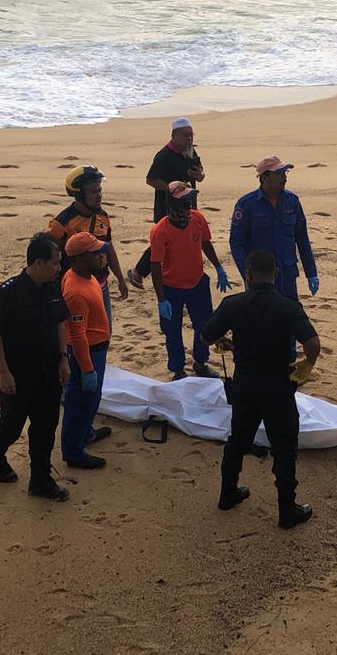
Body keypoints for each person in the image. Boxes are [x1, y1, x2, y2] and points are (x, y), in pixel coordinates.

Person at [203, 250, 320, 529]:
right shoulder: (288, 306)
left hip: (245, 382)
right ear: (276, 275)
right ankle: (286, 509)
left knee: (238, 440)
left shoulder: (233, 304)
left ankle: (228, 494)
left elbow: (206, 335)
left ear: (248, 274)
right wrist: (306, 365)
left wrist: (225, 341)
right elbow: (313, 344)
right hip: (276, 384)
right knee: (284, 446)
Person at [0, 234, 71, 501]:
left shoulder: (52, 289)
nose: (59, 268)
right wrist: (4, 372)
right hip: (17, 372)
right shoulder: (7, 293)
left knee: (46, 425)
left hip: (48, 369)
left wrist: (64, 358)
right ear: (38, 263)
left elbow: (60, 324)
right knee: (12, 423)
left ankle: (41, 480)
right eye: (55, 263)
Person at [150, 181, 231, 380]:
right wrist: (161, 299)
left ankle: (200, 363)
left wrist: (218, 267)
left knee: (203, 325)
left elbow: (205, 243)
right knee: (172, 331)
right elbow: (155, 265)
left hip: (197, 283)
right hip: (172, 287)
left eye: (189, 199)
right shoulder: (161, 230)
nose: (187, 205)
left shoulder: (197, 219)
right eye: (182, 201)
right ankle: (178, 369)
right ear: (172, 203)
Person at [127, 117, 205, 289]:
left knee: (184, 238)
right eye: (185, 135)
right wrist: (172, 189)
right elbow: (150, 179)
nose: (189, 139)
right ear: (173, 135)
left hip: (189, 204)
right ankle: (138, 272)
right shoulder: (164, 155)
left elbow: (201, 174)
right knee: (163, 240)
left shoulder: (191, 152)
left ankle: (180, 270)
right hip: (167, 207)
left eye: (191, 135)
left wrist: (199, 176)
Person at [46, 165, 129, 327]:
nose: (99, 196)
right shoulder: (62, 222)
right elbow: (47, 254)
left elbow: (109, 248)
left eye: (100, 191)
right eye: (93, 192)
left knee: (104, 331)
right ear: (79, 195)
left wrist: (120, 279)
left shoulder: (103, 217)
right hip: (74, 289)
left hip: (100, 285)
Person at [230, 156, 318, 302]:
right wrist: (247, 274)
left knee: (288, 314)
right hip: (260, 278)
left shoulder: (292, 201)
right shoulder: (246, 204)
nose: (284, 178)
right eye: (279, 174)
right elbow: (236, 242)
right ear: (264, 178)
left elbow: (302, 239)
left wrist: (311, 273)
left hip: (287, 274)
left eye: (285, 173)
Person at [60, 232, 112, 470]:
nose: (102, 256)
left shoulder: (86, 276)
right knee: (80, 403)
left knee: (92, 400)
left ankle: (86, 433)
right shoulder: (76, 292)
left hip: (97, 349)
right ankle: (74, 452)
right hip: (87, 353)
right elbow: (78, 335)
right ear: (81, 259)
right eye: (96, 253)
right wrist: (87, 369)